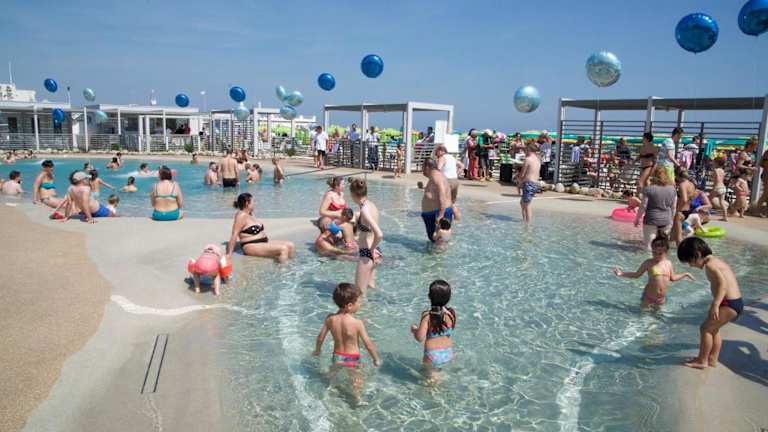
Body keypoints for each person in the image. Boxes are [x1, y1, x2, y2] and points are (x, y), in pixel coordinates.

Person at [677, 237, 743, 369]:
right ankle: (712, 359)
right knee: (714, 329)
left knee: (705, 329)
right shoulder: (716, 261)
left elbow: (723, 285)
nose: (690, 265)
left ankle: (702, 361)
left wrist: (715, 304)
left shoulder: (710, 265)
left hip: (727, 303)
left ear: (698, 254)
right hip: (735, 302)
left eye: (690, 261)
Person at [313, 283, 381, 400]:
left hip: (337, 356)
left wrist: (317, 351)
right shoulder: (357, 323)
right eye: (359, 302)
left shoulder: (330, 318)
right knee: (356, 380)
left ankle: (329, 390)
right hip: (352, 358)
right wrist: (376, 359)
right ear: (349, 305)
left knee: (333, 373)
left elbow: (320, 337)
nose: (360, 305)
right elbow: (368, 344)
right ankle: (357, 398)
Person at [613, 231, 694, 308]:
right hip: (648, 297)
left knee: (658, 316)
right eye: (654, 252)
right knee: (643, 315)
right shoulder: (648, 263)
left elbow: (672, 278)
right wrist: (621, 274)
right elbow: (636, 275)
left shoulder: (668, 263)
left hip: (661, 299)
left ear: (666, 252)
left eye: (660, 253)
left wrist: (685, 274)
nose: (656, 255)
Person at [227, 193, 295, 263]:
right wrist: (229, 254)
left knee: (290, 245)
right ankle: (282, 268)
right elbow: (234, 234)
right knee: (283, 249)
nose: (255, 203)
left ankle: (289, 265)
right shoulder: (241, 216)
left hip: (262, 242)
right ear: (247, 203)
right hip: (250, 245)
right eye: (253, 201)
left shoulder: (251, 214)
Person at [410, 280, 456, 374]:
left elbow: (420, 338)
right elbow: (449, 331)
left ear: (429, 296)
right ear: (449, 298)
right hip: (448, 352)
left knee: (429, 379)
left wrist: (414, 329)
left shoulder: (427, 316)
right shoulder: (451, 314)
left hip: (432, 354)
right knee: (438, 374)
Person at [350, 178, 383, 291]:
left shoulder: (364, 209)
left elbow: (379, 234)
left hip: (367, 253)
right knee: (370, 288)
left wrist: (371, 250)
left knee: (358, 293)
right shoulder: (371, 205)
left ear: (353, 194)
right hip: (375, 251)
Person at [420, 158, 453, 242]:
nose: (422, 170)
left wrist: (440, 215)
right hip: (437, 212)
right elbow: (434, 192)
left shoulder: (436, 177)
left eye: (422, 167)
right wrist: (423, 188)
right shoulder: (437, 176)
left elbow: (443, 196)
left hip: (437, 213)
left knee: (439, 239)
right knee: (438, 239)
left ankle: (438, 251)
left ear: (427, 167)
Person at [435, 144, 463, 221]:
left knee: (443, 202)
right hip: (455, 181)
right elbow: (461, 166)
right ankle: (457, 219)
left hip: (447, 182)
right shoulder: (452, 157)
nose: (436, 155)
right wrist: (456, 174)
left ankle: (440, 218)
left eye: (436, 153)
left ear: (440, 151)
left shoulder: (442, 158)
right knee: (452, 203)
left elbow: (438, 169)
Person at [517, 142, 541, 223]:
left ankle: (527, 225)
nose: (525, 151)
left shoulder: (528, 159)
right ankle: (524, 221)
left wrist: (518, 181)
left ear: (529, 150)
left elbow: (522, 174)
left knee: (527, 205)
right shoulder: (537, 159)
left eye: (526, 150)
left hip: (529, 184)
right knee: (522, 203)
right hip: (535, 184)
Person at [672, 168, 697, 246]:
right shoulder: (692, 184)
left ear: (678, 176)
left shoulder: (682, 184)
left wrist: (677, 210)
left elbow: (684, 199)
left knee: (678, 237)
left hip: (681, 211)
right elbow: (694, 196)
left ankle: (681, 251)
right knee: (673, 234)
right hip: (688, 210)